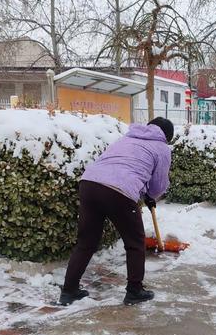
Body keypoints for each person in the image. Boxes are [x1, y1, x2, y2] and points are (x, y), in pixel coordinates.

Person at [59, 117, 174, 306]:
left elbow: (121, 165)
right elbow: (158, 185)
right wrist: (151, 195)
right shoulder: (162, 148)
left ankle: (69, 291)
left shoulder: (127, 138)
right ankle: (134, 291)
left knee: (86, 242)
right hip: (118, 190)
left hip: (89, 184)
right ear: (166, 136)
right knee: (135, 243)